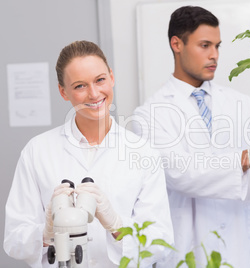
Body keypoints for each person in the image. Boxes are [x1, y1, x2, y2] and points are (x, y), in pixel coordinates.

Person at [132, 6, 250, 268]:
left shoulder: (241, 104)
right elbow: (178, 174)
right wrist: (245, 158)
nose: (214, 55)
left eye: (217, 46)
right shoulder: (148, 115)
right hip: (189, 253)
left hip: (242, 250)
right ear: (177, 44)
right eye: (204, 45)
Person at [4, 40, 174, 268]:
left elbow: (161, 243)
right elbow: (14, 239)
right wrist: (45, 233)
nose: (94, 94)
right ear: (63, 91)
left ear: (111, 77)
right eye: (79, 86)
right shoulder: (37, 151)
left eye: (100, 80)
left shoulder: (144, 153)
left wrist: (116, 225)